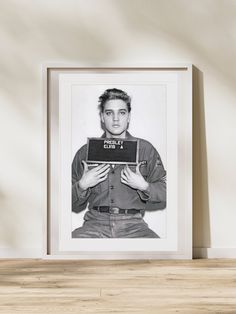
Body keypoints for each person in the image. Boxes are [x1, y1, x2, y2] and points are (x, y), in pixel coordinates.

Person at [72, 88, 166, 238]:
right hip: (94, 226)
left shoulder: (146, 149)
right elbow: (63, 200)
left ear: (128, 116)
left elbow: (167, 191)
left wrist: (144, 186)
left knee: (161, 256)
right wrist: (82, 185)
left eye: (122, 112)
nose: (116, 119)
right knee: (68, 252)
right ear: (102, 117)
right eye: (109, 113)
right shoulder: (85, 152)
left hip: (134, 227)